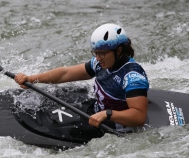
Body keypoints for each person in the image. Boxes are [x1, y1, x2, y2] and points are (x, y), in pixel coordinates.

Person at [14, 23, 149, 133]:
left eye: (102, 53)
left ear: (118, 50)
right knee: (59, 93)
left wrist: (107, 114)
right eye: (95, 53)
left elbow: (139, 117)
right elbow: (65, 73)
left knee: (63, 130)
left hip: (113, 124)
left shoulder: (133, 76)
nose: (97, 58)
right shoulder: (99, 63)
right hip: (97, 110)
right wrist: (32, 79)